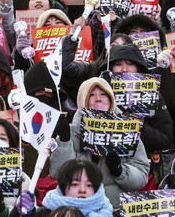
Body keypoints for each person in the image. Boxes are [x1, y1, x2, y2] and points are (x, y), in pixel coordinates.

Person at [49, 78, 149, 209]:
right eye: (91, 94)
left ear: (111, 100)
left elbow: (141, 177)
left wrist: (120, 171)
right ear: (82, 101)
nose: (98, 99)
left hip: (114, 209)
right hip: (76, 209)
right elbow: (57, 173)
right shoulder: (71, 132)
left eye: (103, 94)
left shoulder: (127, 133)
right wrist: (64, 140)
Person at [16, 160, 113, 217]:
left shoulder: (106, 212)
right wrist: (21, 213)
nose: (82, 190)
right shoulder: (45, 213)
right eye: (75, 184)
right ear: (63, 186)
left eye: (89, 185)